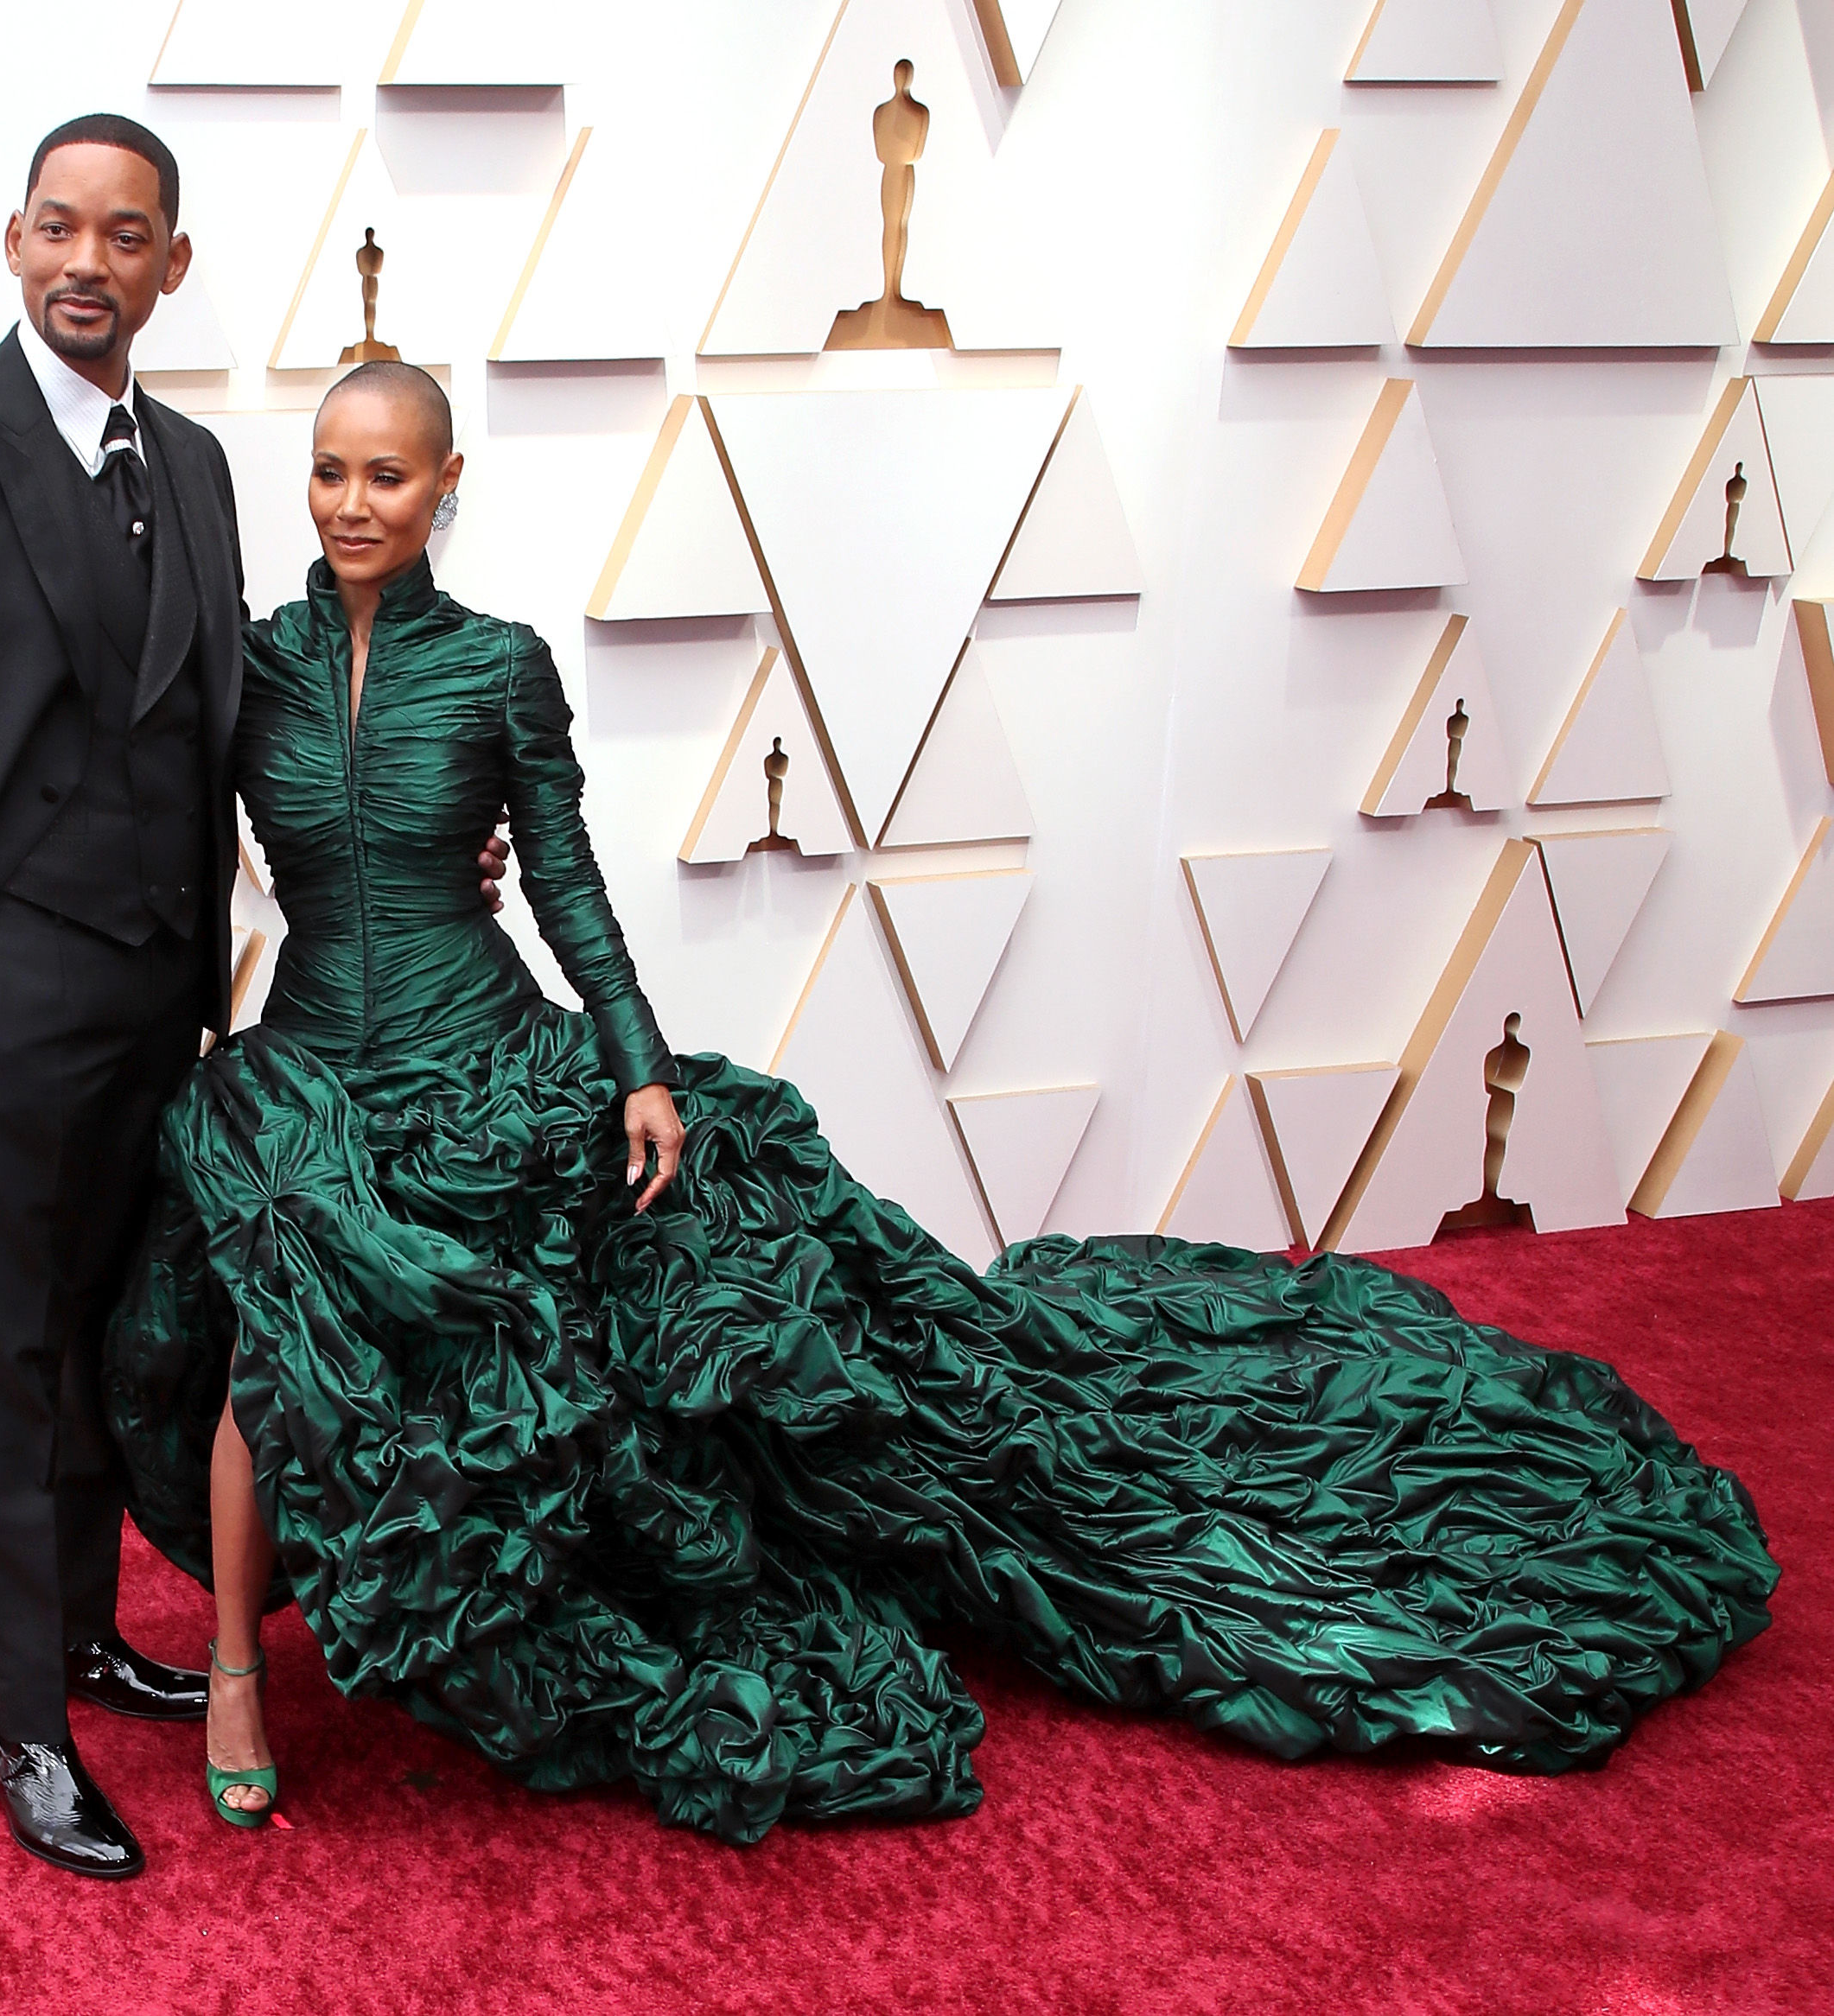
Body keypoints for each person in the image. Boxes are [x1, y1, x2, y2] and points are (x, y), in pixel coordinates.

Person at [104, 364, 1778, 1846]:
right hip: (310, 1069)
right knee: (275, 1345)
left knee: (609, 1356)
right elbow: (181, 863)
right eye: (326, 470)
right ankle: (243, 1676)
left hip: (488, 1055)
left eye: (385, 474)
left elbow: (561, 881)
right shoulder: (244, 669)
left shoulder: (500, 666)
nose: (349, 501)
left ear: (445, 487)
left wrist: (632, 1063)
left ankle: (563, 1594)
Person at [0, 116, 507, 1880]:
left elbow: (222, 717)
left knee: (113, 1344)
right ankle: (21, 1726)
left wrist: (410, 830)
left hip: (163, 993)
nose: (85, 263)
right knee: (6, 1360)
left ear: (170, 265)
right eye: (57, 228)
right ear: (13, 240)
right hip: (0, 992)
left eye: (124, 236)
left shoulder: (188, 460)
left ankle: (95, 1642)